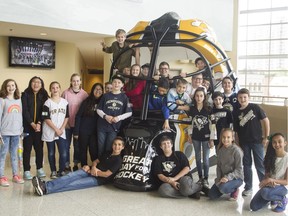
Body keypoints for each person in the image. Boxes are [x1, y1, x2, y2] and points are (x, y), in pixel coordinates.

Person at [32, 136, 125, 196]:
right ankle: (44, 186)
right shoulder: (107, 153)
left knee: (72, 184)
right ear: (112, 145)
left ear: (122, 147)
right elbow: (95, 161)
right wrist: (92, 167)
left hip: (98, 179)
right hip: (91, 170)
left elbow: (106, 174)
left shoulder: (118, 160)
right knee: (70, 176)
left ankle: (45, 188)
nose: (117, 146)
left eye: (119, 145)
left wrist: (94, 172)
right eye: (115, 144)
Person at [234, 88, 270, 196]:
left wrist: (266, 137)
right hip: (244, 143)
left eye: (245, 97)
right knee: (247, 165)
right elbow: (236, 132)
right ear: (238, 99)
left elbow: (266, 121)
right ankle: (248, 187)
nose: (243, 99)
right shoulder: (236, 113)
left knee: (259, 164)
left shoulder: (255, 107)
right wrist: (237, 144)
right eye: (240, 97)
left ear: (248, 97)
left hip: (257, 142)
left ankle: (264, 185)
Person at [250, 133, 287, 213]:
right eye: (274, 142)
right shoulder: (270, 157)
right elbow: (267, 176)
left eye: (280, 142)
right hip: (270, 187)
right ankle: (272, 198)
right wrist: (268, 181)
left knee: (265, 193)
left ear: (285, 143)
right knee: (253, 206)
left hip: (281, 188)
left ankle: (282, 199)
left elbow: (287, 181)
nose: (277, 144)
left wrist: (270, 180)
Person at [96, 74, 132, 158]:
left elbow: (129, 112)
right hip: (102, 126)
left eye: (119, 82)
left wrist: (118, 118)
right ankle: (99, 166)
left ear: (122, 85)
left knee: (110, 147)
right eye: (115, 82)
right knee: (100, 148)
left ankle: (107, 165)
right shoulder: (105, 96)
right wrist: (105, 116)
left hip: (114, 127)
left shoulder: (124, 97)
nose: (116, 84)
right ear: (112, 83)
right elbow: (98, 109)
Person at [21, 76, 49, 180]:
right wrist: (32, 123)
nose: (36, 84)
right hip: (27, 127)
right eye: (34, 82)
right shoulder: (25, 94)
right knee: (27, 149)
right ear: (30, 83)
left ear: (41, 85)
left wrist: (39, 122)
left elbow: (45, 111)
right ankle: (26, 170)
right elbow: (25, 111)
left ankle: (39, 168)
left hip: (39, 127)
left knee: (39, 149)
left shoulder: (45, 95)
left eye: (38, 82)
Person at [187, 87, 214, 188]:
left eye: (201, 96)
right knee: (198, 158)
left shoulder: (209, 109)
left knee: (206, 159)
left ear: (204, 97)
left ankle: (206, 179)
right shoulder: (192, 109)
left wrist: (212, 139)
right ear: (194, 97)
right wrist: (189, 135)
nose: (199, 98)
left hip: (206, 137)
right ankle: (200, 178)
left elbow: (213, 125)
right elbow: (190, 123)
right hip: (195, 137)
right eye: (197, 96)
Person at [61, 73, 88, 172]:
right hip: (67, 124)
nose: (75, 83)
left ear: (80, 81)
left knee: (77, 146)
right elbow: (62, 108)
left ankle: (76, 163)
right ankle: (67, 165)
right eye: (73, 81)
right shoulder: (65, 93)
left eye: (77, 80)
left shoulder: (85, 94)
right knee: (66, 146)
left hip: (78, 125)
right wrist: (65, 122)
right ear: (71, 82)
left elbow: (85, 111)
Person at [42, 81, 69, 179]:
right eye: (53, 88)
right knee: (51, 152)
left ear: (60, 89)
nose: (55, 89)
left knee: (63, 152)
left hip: (61, 131)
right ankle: (53, 171)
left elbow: (67, 116)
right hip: (50, 131)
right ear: (50, 90)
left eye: (57, 87)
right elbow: (46, 118)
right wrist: (56, 129)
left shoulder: (65, 102)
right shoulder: (47, 103)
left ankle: (61, 171)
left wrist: (61, 129)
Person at [0, 79, 24, 186]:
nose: (11, 87)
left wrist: (21, 129)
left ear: (15, 87)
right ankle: (1, 176)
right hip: (5, 132)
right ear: (5, 87)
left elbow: (20, 116)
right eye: (8, 86)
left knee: (14, 154)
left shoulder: (19, 100)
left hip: (16, 132)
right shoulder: (2, 100)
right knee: (3, 154)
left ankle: (15, 175)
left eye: (13, 85)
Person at [208, 128, 243, 201]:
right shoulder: (220, 150)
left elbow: (239, 170)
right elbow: (219, 167)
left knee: (223, 188)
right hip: (223, 178)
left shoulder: (237, 151)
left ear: (233, 138)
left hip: (236, 178)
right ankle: (225, 187)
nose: (225, 139)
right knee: (211, 195)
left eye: (228, 137)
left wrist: (228, 178)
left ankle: (234, 190)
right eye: (224, 137)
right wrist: (218, 180)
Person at [74, 83, 103, 166]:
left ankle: (94, 167)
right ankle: (84, 167)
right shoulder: (86, 101)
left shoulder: (103, 102)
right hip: (84, 130)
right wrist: (76, 132)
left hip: (95, 131)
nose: (98, 91)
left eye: (100, 89)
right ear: (92, 90)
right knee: (83, 150)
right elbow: (78, 116)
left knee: (94, 150)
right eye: (96, 89)